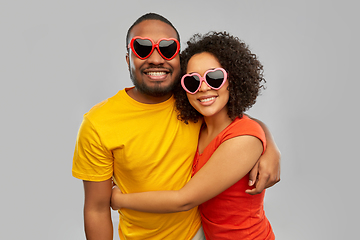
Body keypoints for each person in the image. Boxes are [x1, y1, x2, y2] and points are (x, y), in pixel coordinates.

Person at [72, 13, 280, 240]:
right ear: (128, 59)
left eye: (167, 49)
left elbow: (235, 124)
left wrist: (268, 144)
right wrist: (266, 141)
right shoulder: (100, 122)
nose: (155, 59)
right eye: (142, 48)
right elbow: (95, 209)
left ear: (178, 59)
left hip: (199, 234)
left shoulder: (191, 101)